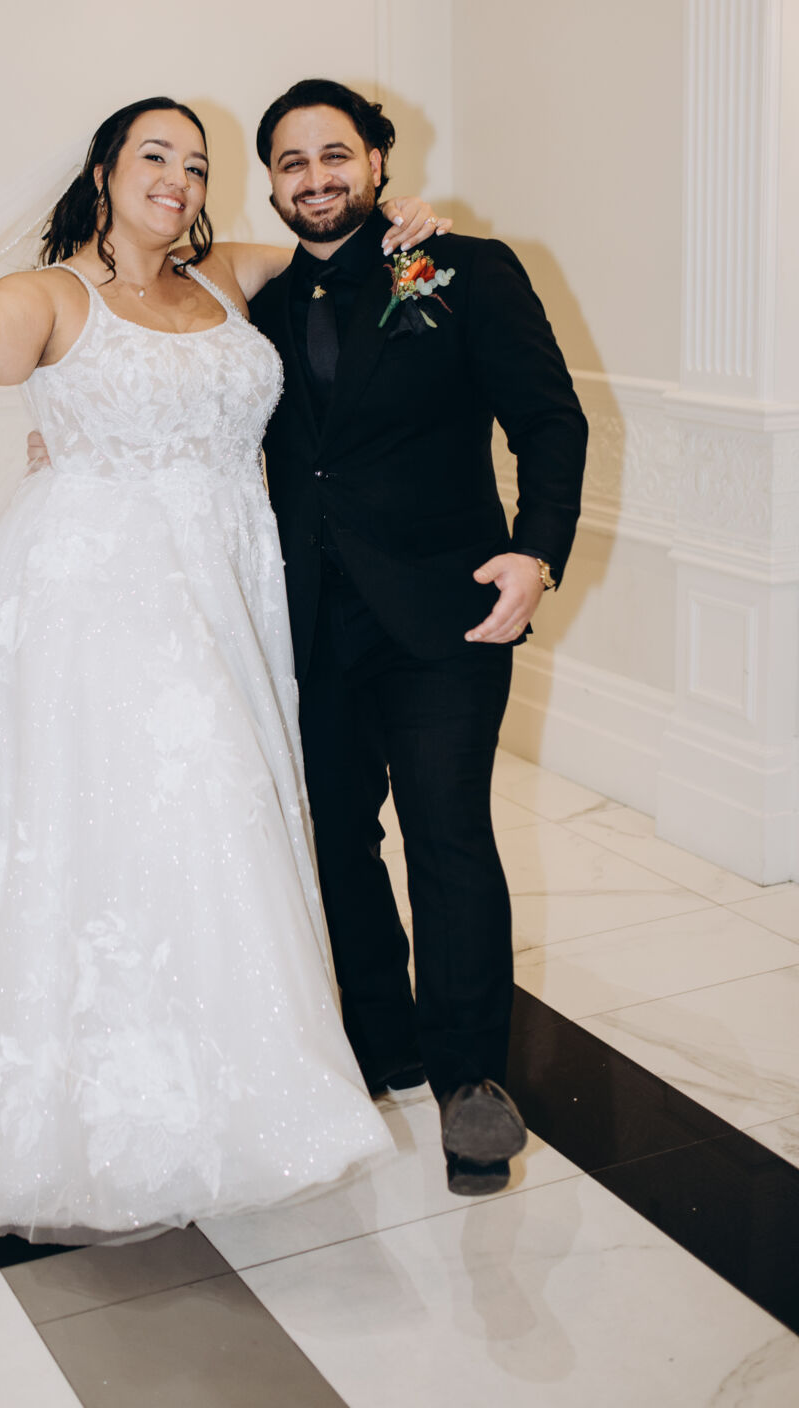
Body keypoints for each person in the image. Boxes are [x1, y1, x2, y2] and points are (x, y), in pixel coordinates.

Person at [0, 96, 448, 1244]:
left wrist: (406, 217)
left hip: (224, 587)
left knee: (216, 837)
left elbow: (333, 249)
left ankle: (221, 1092)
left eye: (195, 164)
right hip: (99, 599)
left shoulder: (225, 277)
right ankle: (100, 1119)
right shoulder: (55, 297)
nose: (177, 177)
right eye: (153, 155)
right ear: (105, 172)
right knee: (137, 829)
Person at [249, 78, 588, 1196]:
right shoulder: (252, 306)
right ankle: (378, 1036)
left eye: (334, 155)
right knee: (337, 841)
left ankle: (470, 1081)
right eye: (292, 163)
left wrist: (535, 552)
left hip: (447, 611)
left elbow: (549, 420)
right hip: (305, 618)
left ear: (378, 161)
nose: (315, 179)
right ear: (271, 184)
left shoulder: (463, 269)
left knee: (448, 837)